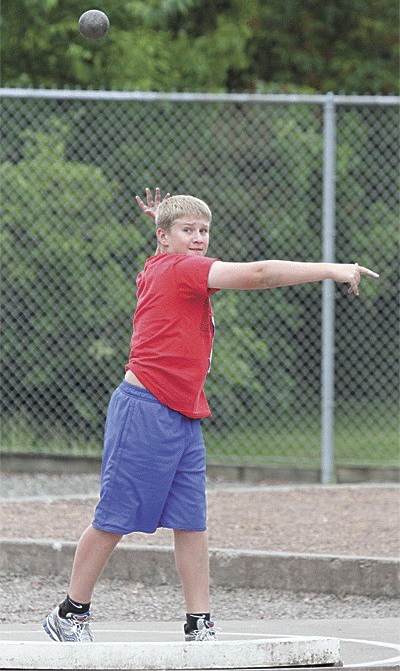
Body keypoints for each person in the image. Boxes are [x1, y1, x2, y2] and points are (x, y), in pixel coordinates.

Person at [43, 187, 379, 643]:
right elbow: (259, 273)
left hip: (181, 414)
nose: (199, 238)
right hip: (144, 411)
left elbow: (172, 254)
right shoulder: (177, 267)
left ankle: (199, 623)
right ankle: (71, 614)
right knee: (114, 517)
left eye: (204, 230)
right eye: (188, 230)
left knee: (191, 521)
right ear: (164, 237)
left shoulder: (167, 264)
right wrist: (330, 269)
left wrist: (167, 225)